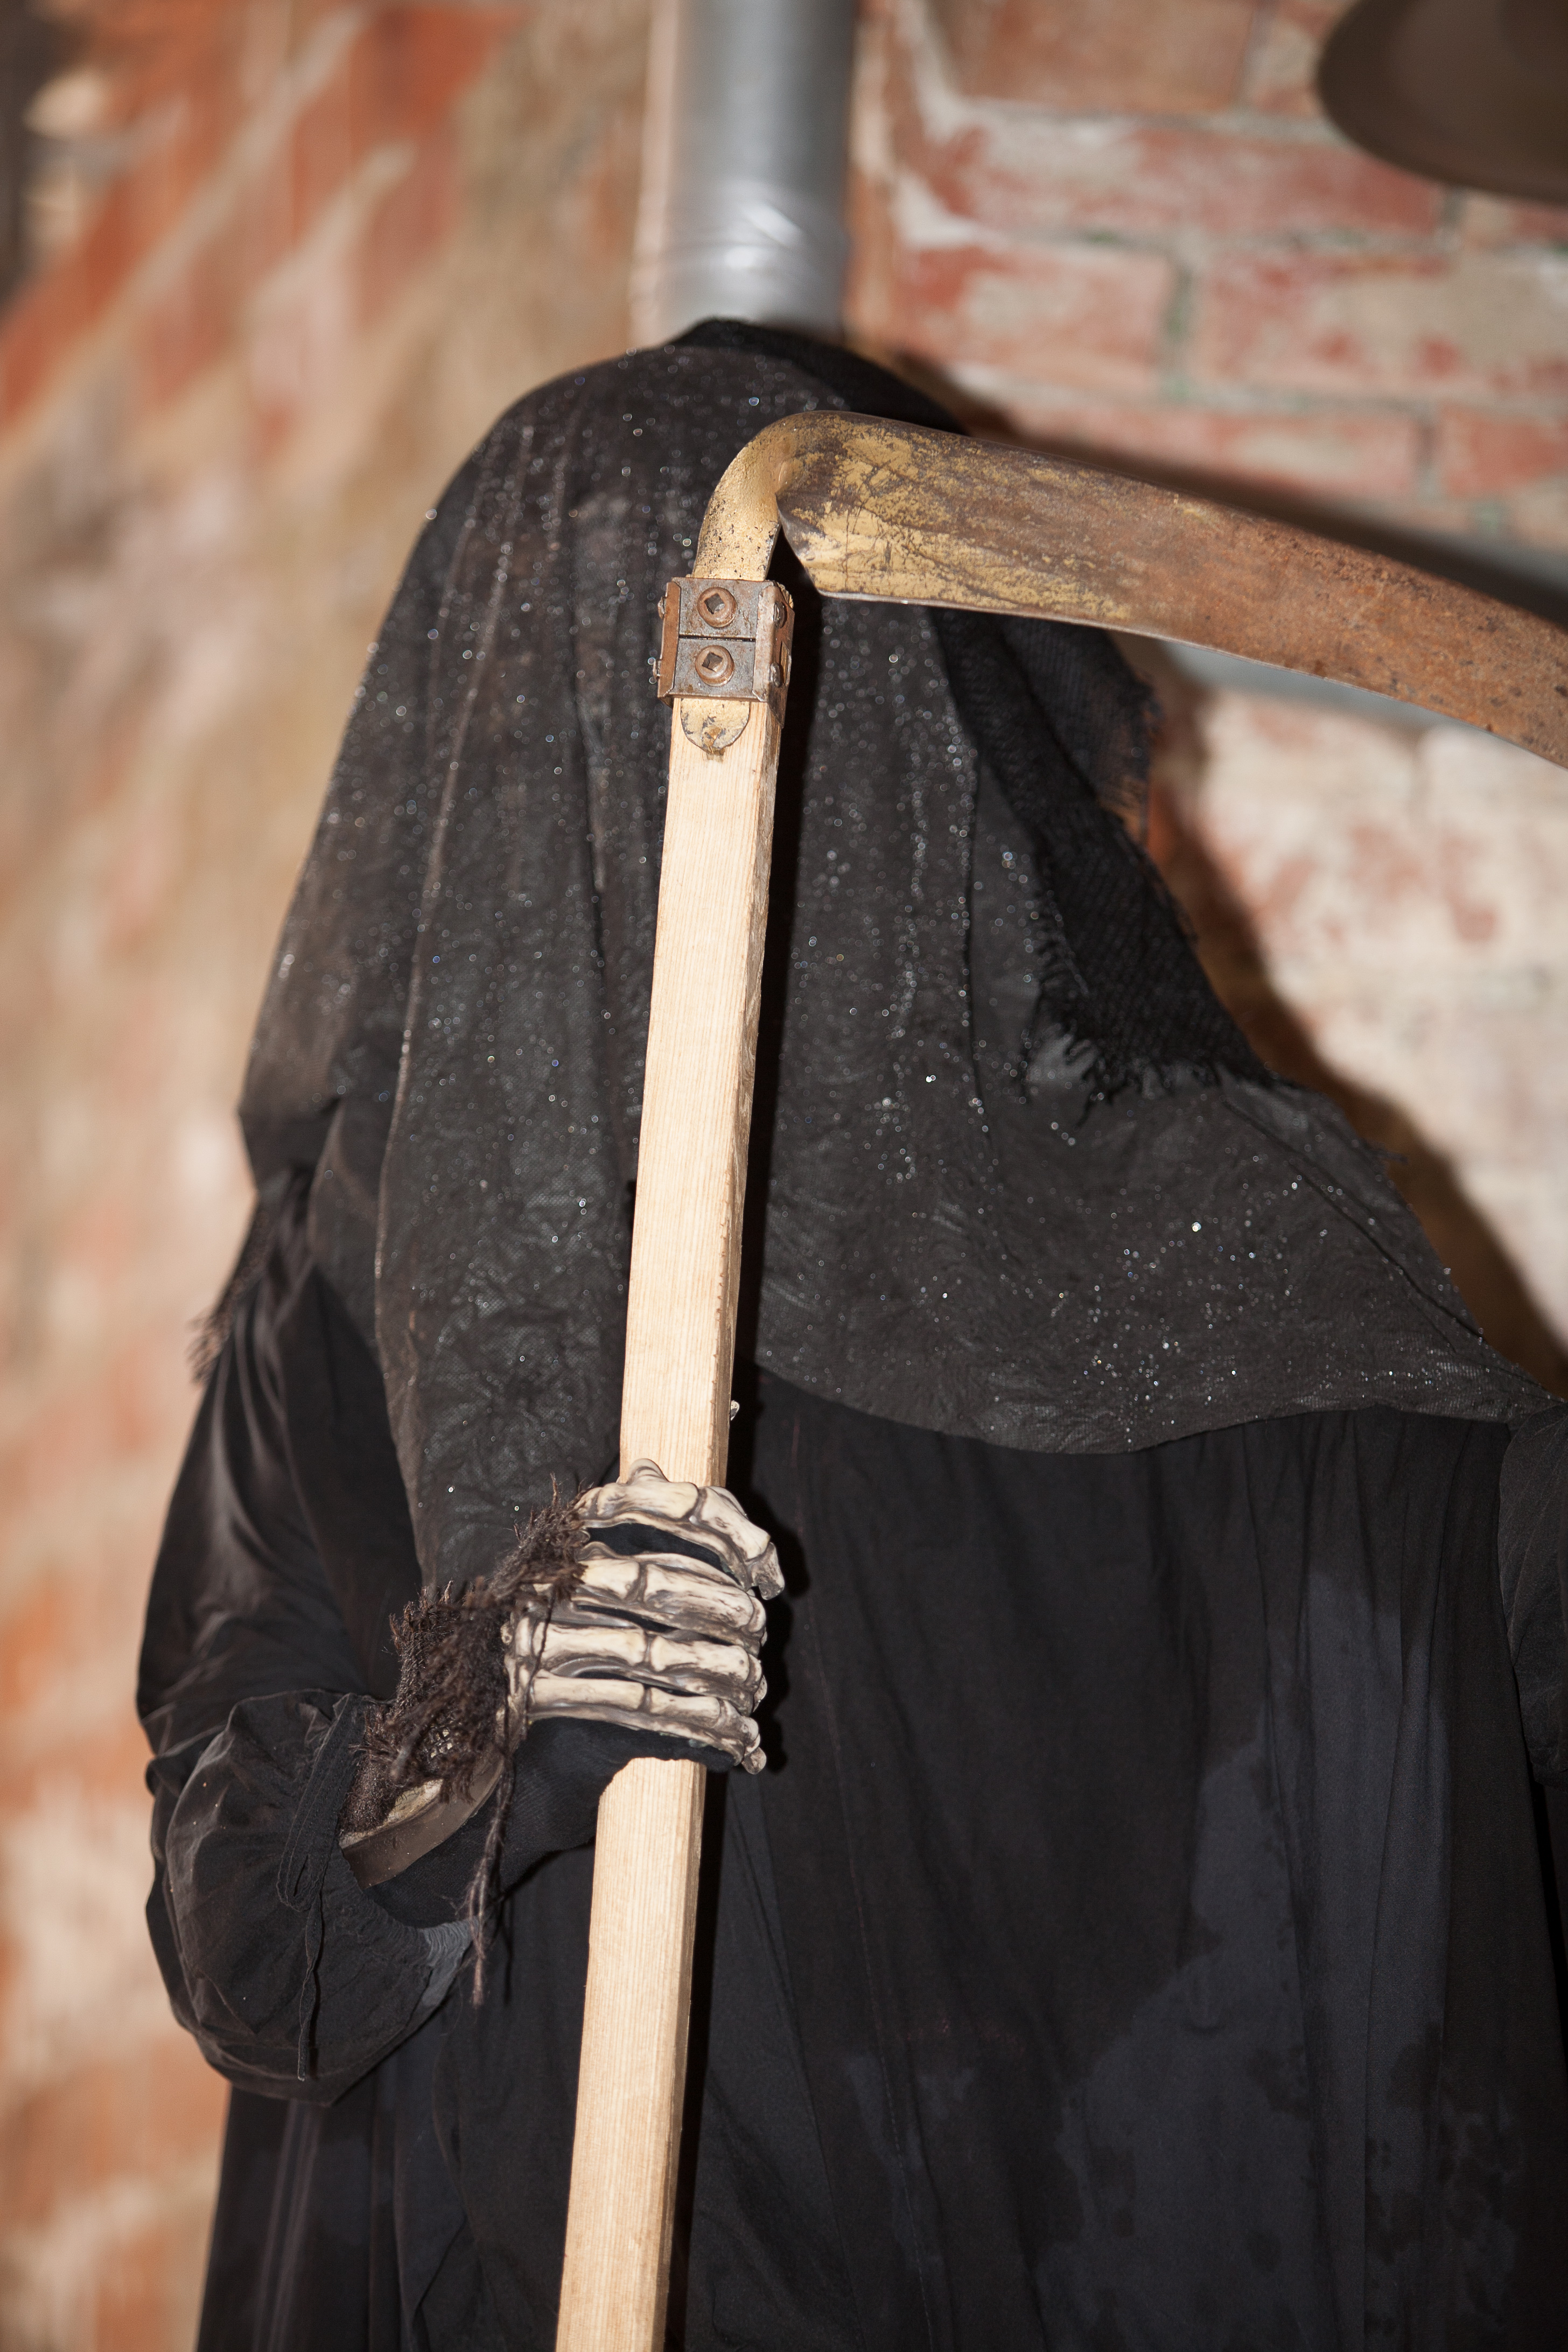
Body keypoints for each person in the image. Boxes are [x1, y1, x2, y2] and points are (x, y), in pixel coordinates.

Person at [141, 321, 1568, 2350]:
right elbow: (243, 1932)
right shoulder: (348, 1268)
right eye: (562, 663)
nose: (624, 756)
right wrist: (476, 1734)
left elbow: (1458, 1667)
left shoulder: (1185, 1201)